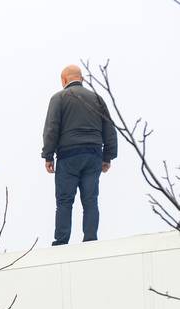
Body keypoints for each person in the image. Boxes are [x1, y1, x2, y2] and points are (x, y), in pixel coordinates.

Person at [42, 64, 118, 246]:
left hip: (68, 156)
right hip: (93, 154)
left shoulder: (58, 98)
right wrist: (107, 156)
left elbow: (51, 128)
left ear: (64, 80)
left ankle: (61, 241)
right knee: (90, 199)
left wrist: (48, 155)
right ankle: (90, 239)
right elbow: (109, 128)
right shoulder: (97, 99)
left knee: (64, 200)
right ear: (81, 79)